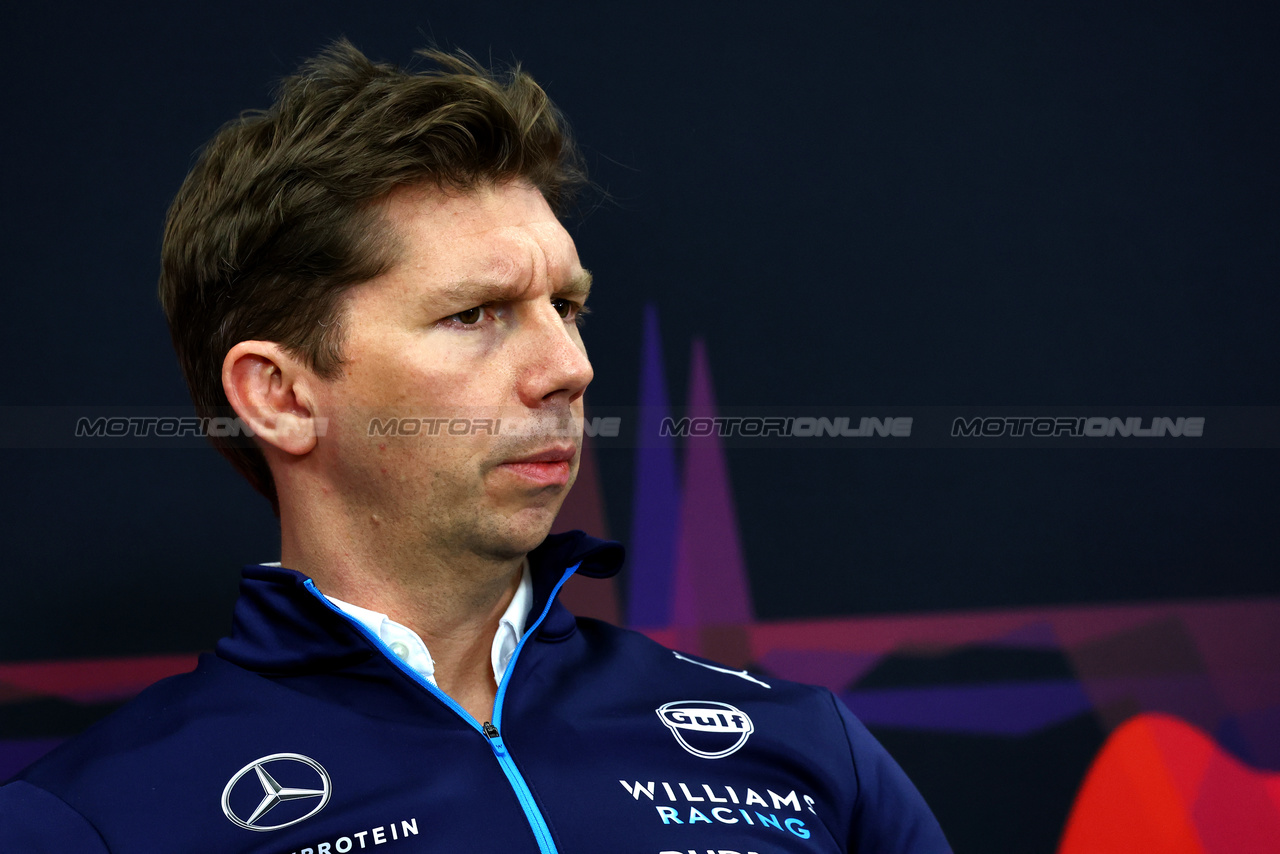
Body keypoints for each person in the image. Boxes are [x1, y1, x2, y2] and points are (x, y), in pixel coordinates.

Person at [0, 42, 950, 853]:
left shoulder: (802, 749)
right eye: (476, 314)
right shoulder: (95, 822)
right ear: (281, 396)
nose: (568, 367)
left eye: (567, 307)